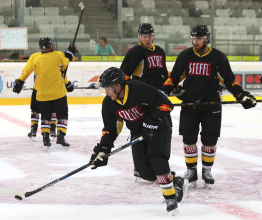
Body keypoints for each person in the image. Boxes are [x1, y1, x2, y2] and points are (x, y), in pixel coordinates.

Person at [160, 25, 257, 189]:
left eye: (199, 39)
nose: (195, 42)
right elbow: (173, 79)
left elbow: (229, 80)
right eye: (193, 39)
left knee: (209, 140)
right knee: (189, 140)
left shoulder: (218, 57)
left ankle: (206, 171)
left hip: (211, 105)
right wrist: (161, 94)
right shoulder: (185, 56)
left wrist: (241, 95)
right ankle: (191, 171)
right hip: (189, 104)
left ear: (207, 39)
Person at [89, 67, 186, 216]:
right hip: (138, 132)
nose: (106, 93)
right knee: (145, 173)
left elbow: (166, 104)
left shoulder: (139, 89)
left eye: (108, 89)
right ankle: (175, 180)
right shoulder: (109, 104)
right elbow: (110, 129)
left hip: (158, 127)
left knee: (157, 160)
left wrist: (152, 121)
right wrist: (103, 149)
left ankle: (170, 198)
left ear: (118, 86)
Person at [120, 23, 170, 183]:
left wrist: (166, 89)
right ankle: (139, 167)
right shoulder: (135, 52)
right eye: (144, 36)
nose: (147, 39)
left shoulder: (160, 51)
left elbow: (163, 74)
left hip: (156, 99)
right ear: (139, 37)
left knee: (156, 128)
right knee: (140, 130)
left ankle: (154, 164)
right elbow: (124, 75)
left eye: (149, 36)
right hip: (141, 99)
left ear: (153, 36)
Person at [13, 37, 75, 150]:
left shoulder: (35, 58)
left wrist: (20, 81)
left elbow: (26, 71)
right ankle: (60, 137)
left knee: (45, 115)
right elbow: (64, 66)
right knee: (62, 114)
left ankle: (45, 137)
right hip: (57, 93)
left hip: (40, 93)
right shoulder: (58, 55)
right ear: (50, 45)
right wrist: (69, 54)